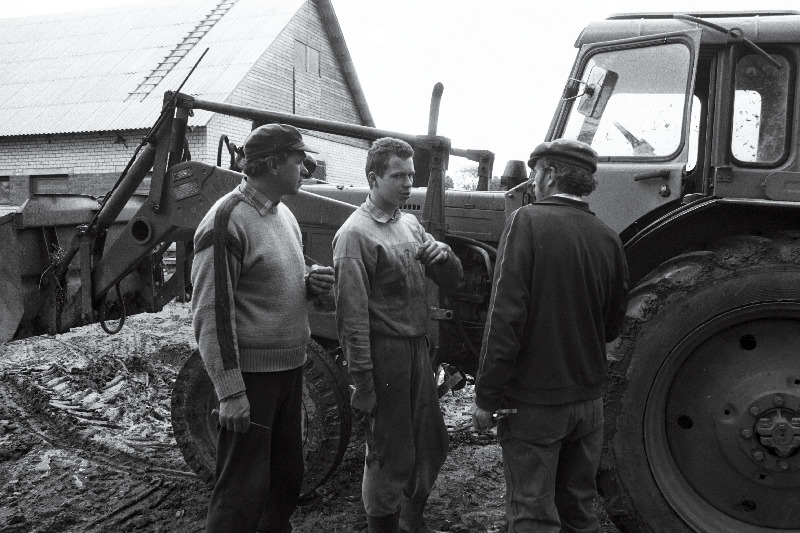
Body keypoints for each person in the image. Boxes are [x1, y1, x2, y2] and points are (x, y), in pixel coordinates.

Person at [471, 138, 629, 532]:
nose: (531, 182)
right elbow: (612, 326)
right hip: (588, 405)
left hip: (536, 406)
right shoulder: (608, 237)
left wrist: (487, 397)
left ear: (549, 174)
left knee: (532, 513)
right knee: (579, 509)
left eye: (534, 172)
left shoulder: (526, 222)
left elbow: (504, 320)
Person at [191, 123, 335, 533]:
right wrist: (231, 391)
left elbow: (272, 276)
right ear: (272, 163)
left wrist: (309, 281)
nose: (305, 168)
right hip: (252, 380)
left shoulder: (282, 213)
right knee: (241, 492)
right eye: (298, 159)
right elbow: (209, 314)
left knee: (285, 480)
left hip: (290, 371)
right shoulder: (226, 221)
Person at [333, 137, 463, 533]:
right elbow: (351, 320)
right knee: (389, 454)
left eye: (411, 175)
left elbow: (452, 280)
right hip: (384, 353)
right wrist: (364, 383)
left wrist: (446, 256)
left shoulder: (408, 223)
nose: (408, 184)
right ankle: (383, 526)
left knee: (432, 444)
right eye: (398, 176)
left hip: (416, 349)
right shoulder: (355, 235)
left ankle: (411, 520)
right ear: (373, 178)